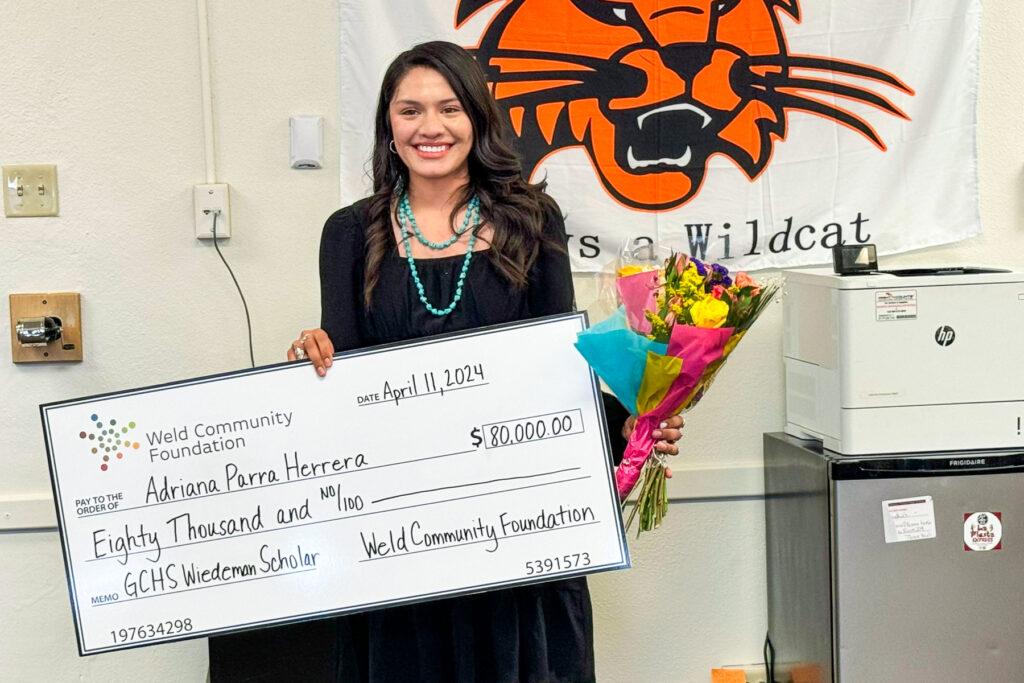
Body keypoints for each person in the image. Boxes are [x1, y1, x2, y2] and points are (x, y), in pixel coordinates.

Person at [209, 41, 683, 682]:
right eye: (410, 111)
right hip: (398, 537)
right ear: (389, 125)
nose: (430, 127)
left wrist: (633, 419)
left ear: (478, 119)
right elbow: (340, 382)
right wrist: (312, 362)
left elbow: (557, 370)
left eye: (449, 108)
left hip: (516, 524)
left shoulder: (532, 221)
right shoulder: (348, 233)